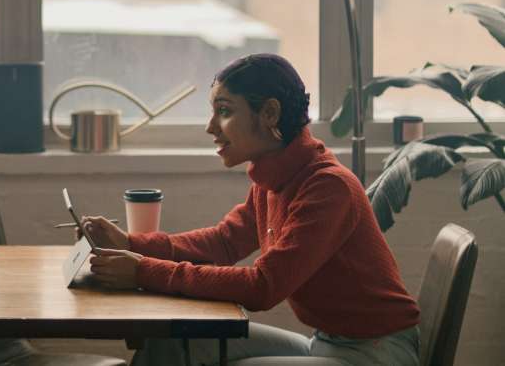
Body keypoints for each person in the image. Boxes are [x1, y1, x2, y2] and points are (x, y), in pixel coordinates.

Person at [80, 54, 421, 366]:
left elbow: (263, 286)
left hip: (375, 354)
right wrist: (131, 243)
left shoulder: (328, 188)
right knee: (168, 344)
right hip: (326, 344)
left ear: (270, 113)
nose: (210, 127)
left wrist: (143, 271)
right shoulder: (272, 176)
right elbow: (224, 242)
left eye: (225, 111)